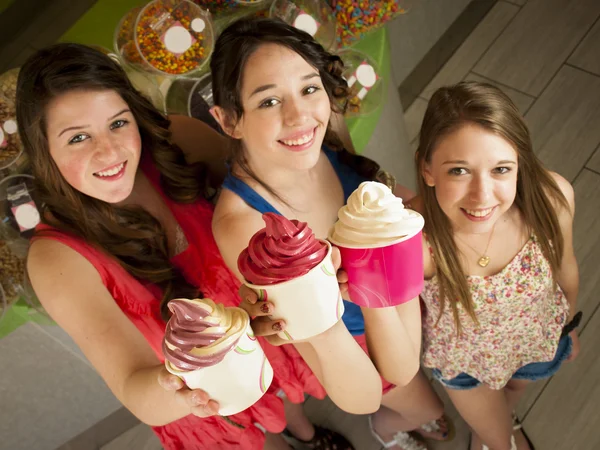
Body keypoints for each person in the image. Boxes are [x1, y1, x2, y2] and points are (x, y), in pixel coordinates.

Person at [17, 43, 380, 450]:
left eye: (118, 124)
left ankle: (307, 433)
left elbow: (271, 186)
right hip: (204, 392)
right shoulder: (56, 259)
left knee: (287, 400)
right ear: (43, 151)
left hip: (273, 333)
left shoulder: (181, 140)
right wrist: (187, 378)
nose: (109, 152)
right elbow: (134, 387)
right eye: (78, 137)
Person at [209, 17, 452, 450]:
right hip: (355, 340)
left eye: (308, 88)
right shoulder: (248, 228)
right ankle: (391, 426)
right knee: (424, 406)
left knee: (423, 367)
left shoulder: (321, 134)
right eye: (268, 102)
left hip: (399, 288)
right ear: (229, 121)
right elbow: (360, 381)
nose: (300, 116)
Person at [410, 81, 581, 450]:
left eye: (501, 169)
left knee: (514, 391)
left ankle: (501, 416)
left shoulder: (552, 200)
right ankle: (493, 432)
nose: (482, 196)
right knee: (500, 442)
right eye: (459, 171)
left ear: (520, 162)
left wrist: (566, 326)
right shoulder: (415, 240)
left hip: (533, 339)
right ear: (427, 169)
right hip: (464, 363)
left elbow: (565, 267)